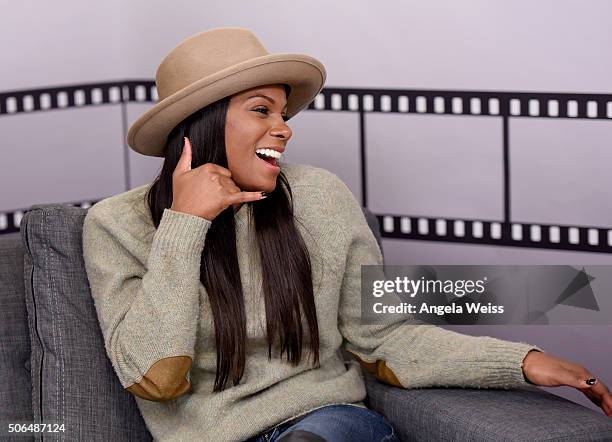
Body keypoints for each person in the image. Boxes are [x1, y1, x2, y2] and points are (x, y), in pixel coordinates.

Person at [81, 27, 611, 442]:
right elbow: (156, 378)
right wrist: (187, 223)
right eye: (261, 111)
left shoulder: (320, 196)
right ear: (202, 122)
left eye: (283, 113)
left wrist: (519, 362)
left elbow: (382, 337)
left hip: (328, 423)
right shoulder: (116, 225)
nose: (284, 128)